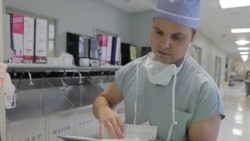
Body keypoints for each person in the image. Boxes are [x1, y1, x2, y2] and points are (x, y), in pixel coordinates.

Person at [93, 0, 225, 140]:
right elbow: (103, 99)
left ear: (193, 36)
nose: (165, 44)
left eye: (176, 37)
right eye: (159, 32)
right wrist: (103, 110)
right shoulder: (132, 71)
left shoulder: (204, 91)